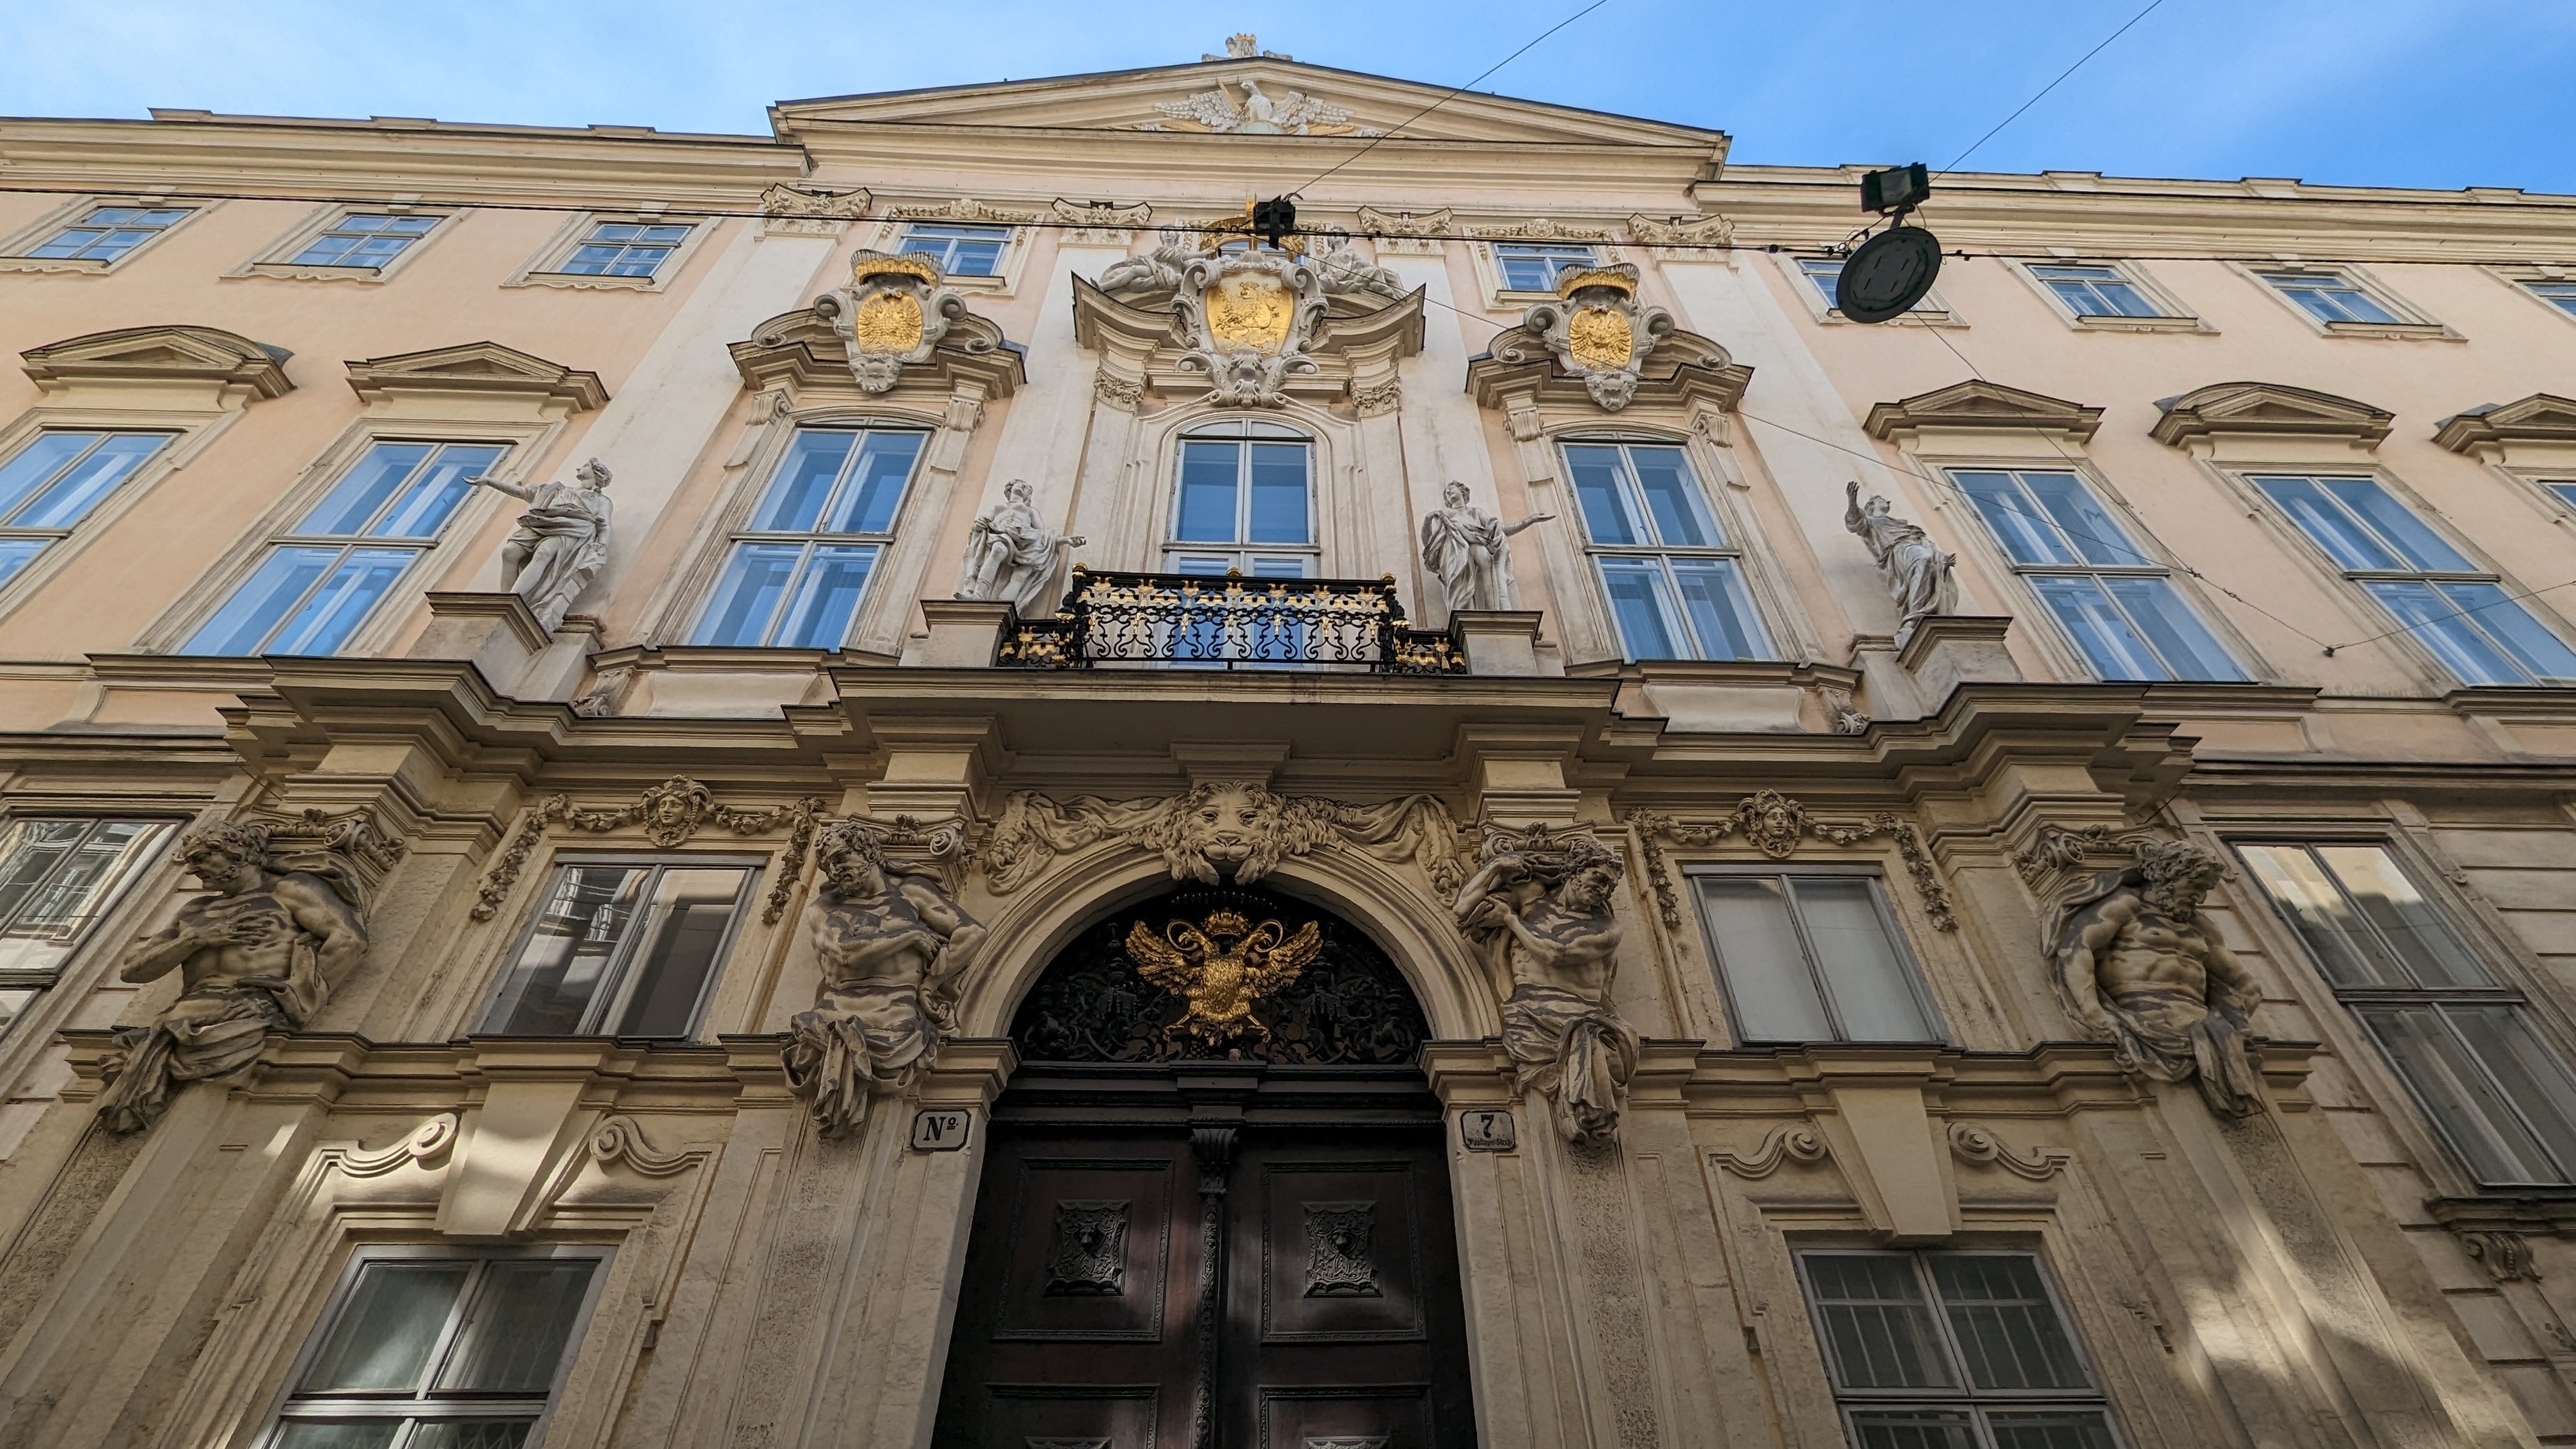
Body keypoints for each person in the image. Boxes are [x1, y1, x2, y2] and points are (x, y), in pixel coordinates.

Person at [98, 822, 367, 1133]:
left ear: (238, 853)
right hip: (180, 1016)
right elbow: (133, 971)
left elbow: (348, 940)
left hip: (247, 1011)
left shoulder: (288, 891)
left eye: (201, 858)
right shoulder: (196, 910)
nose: (192, 870)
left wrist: (289, 997)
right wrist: (195, 940)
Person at [782, 822, 988, 1138]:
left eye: (841, 858)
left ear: (869, 852)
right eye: (828, 866)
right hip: (836, 1018)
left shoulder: (912, 894)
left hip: (899, 1018)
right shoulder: (824, 908)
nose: (835, 870)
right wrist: (910, 935)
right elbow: (845, 952)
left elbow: (971, 933)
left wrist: (931, 985)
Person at [2051, 840, 2266, 1117]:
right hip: (2142, 1020)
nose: (2200, 898)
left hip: (2203, 1028)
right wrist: (2093, 1010)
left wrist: (2228, 1025)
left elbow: (2247, 985)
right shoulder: (2126, 906)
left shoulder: (2200, 926)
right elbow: (2076, 950)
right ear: (2168, 875)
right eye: (2195, 886)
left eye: (2206, 890)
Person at [1453, 837, 1637, 1141]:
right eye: (1599, 877)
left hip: (1580, 1019)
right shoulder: (1531, 901)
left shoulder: (1607, 927)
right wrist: (1495, 867)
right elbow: (1463, 909)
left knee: (1591, 1107)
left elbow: (1557, 954)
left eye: (1610, 886)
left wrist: (1510, 920)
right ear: (1576, 870)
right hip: (1527, 1016)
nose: (1603, 889)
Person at [471, 457, 613, 631]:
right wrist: (490, 481)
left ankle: (513, 602)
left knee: (544, 553)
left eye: (585, 466)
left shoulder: (601, 501)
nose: (578, 468)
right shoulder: (556, 491)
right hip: (542, 523)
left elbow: (605, 526)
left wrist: (601, 545)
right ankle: (505, 602)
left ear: (597, 472)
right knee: (510, 552)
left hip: (572, 529)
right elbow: (522, 492)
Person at [1844, 479, 1956, 640]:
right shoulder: (1872, 522)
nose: (1887, 501)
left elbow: (1924, 543)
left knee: (1927, 567)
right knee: (1924, 560)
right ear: (1871, 506)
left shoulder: (1902, 525)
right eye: (1880, 499)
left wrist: (1943, 560)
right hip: (1900, 550)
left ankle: (1916, 617)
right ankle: (1914, 617)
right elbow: (1854, 522)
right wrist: (1852, 500)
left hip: (1913, 547)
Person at [958, 479, 1085, 619]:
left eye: (1026, 488)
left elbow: (1044, 534)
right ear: (1010, 489)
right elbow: (982, 523)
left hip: (1025, 541)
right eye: (1020, 484)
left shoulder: (1030, 511)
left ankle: (1001, 610)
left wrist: (1066, 540)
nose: (1023, 487)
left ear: (1027, 497)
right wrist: (980, 525)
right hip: (1000, 534)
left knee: (1019, 575)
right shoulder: (998, 507)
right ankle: (978, 594)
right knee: (999, 549)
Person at [1420, 480, 1551, 614]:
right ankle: (1467, 610)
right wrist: (1427, 521)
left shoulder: (1476, 513)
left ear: (1463, 491)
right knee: (1469, 558)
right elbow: (1429, 542)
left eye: (1451, 489)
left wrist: (1530, 520)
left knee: (1482, 552)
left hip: (1478, 550)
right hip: (1455, 555)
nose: (1448, 492)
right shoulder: (1443, 516)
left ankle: (1493, 609)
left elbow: (1500, 529)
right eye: (1446, 493)